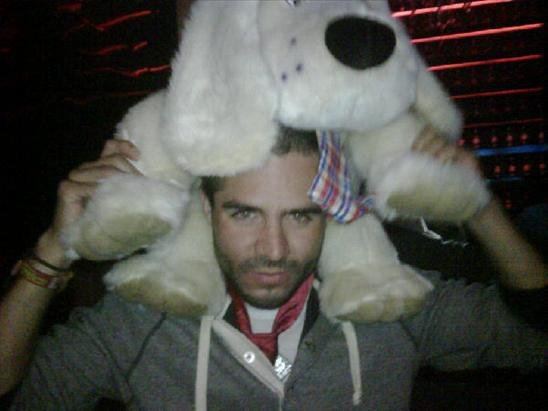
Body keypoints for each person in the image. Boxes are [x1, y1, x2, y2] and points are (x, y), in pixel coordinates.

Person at [0, 127, 546, 410]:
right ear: (207, 208)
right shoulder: (142, 317)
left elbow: (535, 333)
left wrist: (480, 209)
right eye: (244, 213)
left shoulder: (387, 301)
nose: (274, 249)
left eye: (301, 216)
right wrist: (52, 251)